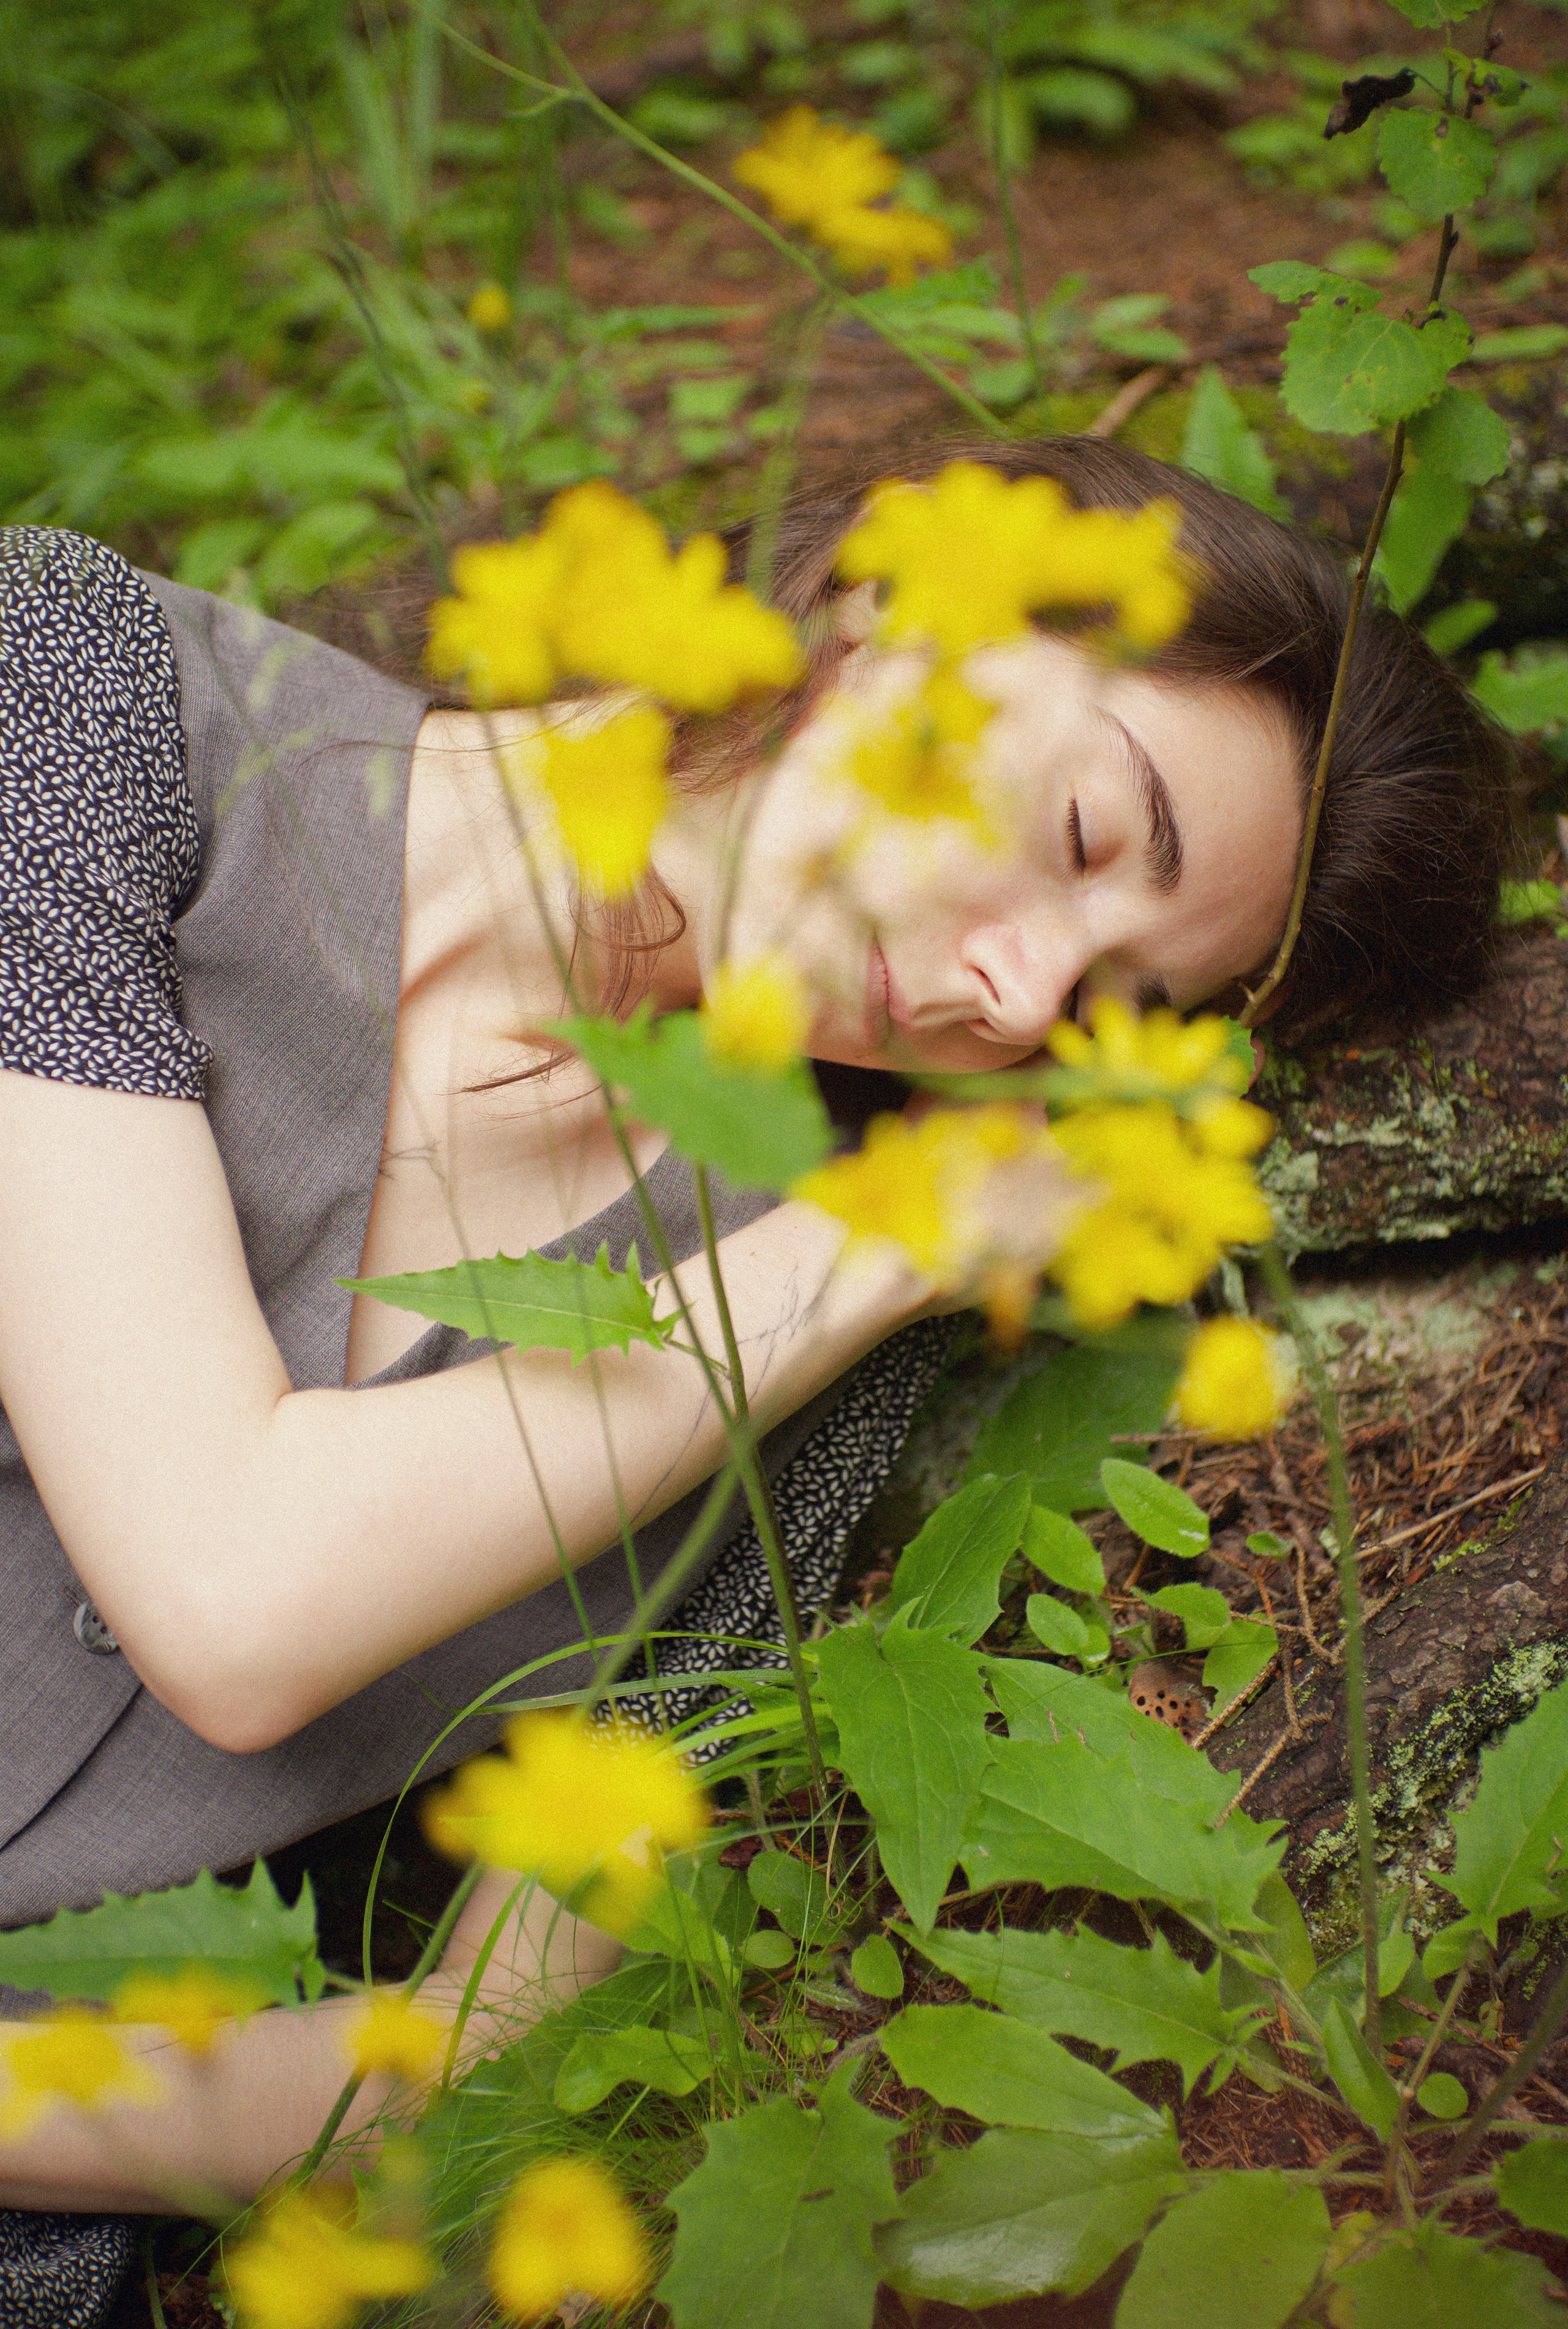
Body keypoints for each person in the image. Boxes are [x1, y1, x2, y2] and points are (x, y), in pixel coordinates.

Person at [0, 435, 1512, 2284]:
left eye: (1117, 1007)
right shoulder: (80, 703)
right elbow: (234, 1594)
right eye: (1088, 836)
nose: (1023, 1004)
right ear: (893, 589)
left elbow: (455, 2080)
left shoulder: (812, 1340)